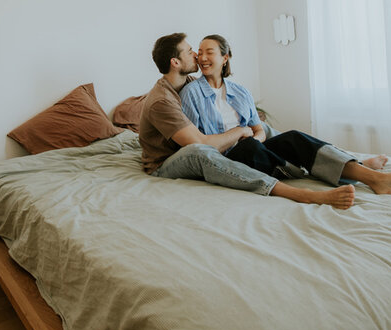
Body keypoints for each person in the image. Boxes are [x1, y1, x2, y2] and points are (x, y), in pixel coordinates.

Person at [180, 34, 391, 195]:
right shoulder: (192, 92)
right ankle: (318, 168)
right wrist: (241, 138)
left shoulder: (240, 91)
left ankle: (370, 176)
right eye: (199, 52)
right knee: (248, 149)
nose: (202, 57)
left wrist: (255, 138)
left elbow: (258, 129)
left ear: (225, 57)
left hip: (254, 148)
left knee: (294, 138)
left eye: (209, 52)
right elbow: (198, 143)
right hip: (228, 156)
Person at [140, 33, 356, 209]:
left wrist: (249, 131)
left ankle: (348, 166)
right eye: (190, 51)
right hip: (165, 162)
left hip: (194, 145)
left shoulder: (187, 81)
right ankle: (296, 192)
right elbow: (200, 143)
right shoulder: (162, 100)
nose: (197, 55)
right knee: (200, 152)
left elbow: (247, 125)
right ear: (175, 62)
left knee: (268, 131)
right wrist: (240, 132)